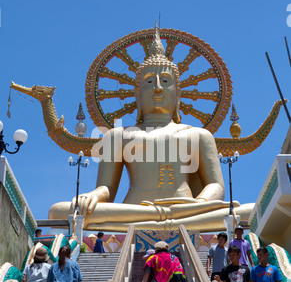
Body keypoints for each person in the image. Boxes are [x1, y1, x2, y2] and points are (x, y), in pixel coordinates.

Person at [48, 25, 254, 233]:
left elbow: (216, 187)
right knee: (58, 210)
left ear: (178, 93)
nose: (157, 87)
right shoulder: (117, 136)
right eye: (149, 82)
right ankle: (165, 220)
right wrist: (92, 196)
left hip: (187, 210)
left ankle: (165, 219)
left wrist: (199, 202)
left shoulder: (199, 135)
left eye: (165, 81)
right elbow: (107, 189)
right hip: (134, 210)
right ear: (137, 94)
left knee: (252, 210)